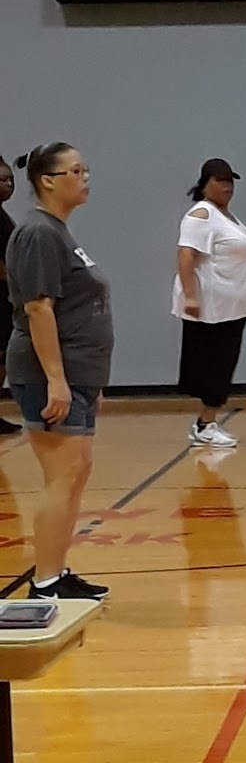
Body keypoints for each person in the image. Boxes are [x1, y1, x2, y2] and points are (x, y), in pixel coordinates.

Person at [7, 143, 113, 599]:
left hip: (78, 376)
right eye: (75, 170)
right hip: (48, 374)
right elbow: (37, 308)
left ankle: (57, 571)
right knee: (62, 475)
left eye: (85, 169)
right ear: (47, 180)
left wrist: (90, 382)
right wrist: (56, 379)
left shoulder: (59, 233)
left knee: (77, 471)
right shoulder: (38, 235)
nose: (84, 177)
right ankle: (45, 582)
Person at [172, 158, 246, 447]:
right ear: (205, 183)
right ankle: (205, 424)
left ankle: (206, 422)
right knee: (216, 366)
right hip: (213, 307)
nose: (226, 186)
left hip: (234, 306)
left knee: (225, 363)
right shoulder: (202, 214)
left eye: (229, 181)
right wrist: (191, 295)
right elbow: (186, 255)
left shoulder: (226, 216)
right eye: (220, 180)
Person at [0, 157, 22, 434]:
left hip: (6, 297)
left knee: (3, 357)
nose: (7, 185)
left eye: (10, 180)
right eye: (1, 180)